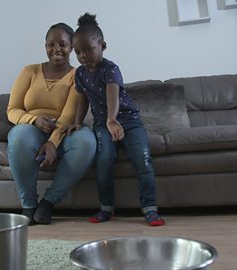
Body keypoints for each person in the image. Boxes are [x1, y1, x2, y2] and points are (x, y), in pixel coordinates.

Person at [68, 13, 165, 226]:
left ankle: (150, 208)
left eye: (89, 49)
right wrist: (77, 121)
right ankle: (106, 208)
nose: (83, 56)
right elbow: (82, 98)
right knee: (103, 160)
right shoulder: (80, 74)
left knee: (142, 158)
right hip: (103, 124)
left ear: (103, 46)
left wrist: (113, 119)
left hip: (128, 120)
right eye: (78, 52)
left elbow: (112, 93)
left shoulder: (110, 69)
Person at [7, 22, 96, 225]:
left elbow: (69, 115)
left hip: (64, 130)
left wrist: (53, 142)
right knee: (19, 136)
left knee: (87, 141)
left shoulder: (78, 75)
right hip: (31, 129)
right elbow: (12, 110)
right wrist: (34, 120)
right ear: (45, 46)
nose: (57, 49)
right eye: (51, 44)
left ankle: (48, 203)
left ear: (71, 47)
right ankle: (29, 205)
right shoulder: (29, 71)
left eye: (63, 44)